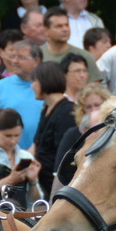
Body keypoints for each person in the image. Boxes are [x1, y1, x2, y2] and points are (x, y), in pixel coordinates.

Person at [0, 39, 43, 147]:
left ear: (36, 61)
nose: (15, 61)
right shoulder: (0, 86)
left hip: (42, 158)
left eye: (21, 57)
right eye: (13, 57)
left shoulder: (48, 86)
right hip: (6, 157)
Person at [30, 61, 78, 192]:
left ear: (44, 81)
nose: (32, 86)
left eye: (35, 81)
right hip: (41, 183)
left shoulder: (67, 112)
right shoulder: (46, 108)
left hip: (56, 187)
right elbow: (37, 145)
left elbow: (63, 156)